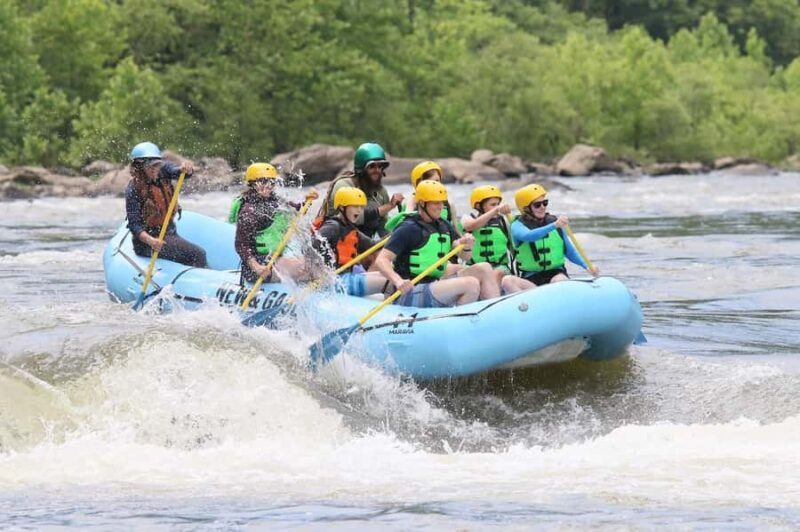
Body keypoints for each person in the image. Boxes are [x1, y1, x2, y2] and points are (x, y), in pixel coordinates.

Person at [374, 180, 500, 308]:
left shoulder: (444, 225)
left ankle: (492, 311)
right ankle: (456, 320)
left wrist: (466, 245)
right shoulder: (408, 228)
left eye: (441, 202)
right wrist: (398, 280)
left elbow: (465, 257)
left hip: (435, 284)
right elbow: (381, 260)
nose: (440, 206)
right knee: (471, 284)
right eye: (435, 203)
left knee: (484, 267)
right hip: (409, 291)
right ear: (422, 204)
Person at [125, 141, 208, 268]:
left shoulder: (163, 170)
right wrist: (151, 241)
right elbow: (134, 225)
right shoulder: (133, 189)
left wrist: (186, 169)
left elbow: (180, 172)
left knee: (190, 253)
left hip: (169, 233)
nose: (155, 169)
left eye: (157, 164)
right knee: (198, 254)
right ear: (139, 167)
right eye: (151, 166)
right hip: (148, 243)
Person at [234, 162, 318, 284]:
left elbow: (297, 211)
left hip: (274, 259)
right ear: (252, 184)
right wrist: (256, 267)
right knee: (305, 268)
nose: (269, 185)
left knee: (313, 265)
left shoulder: (276, 201)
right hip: (257, 267)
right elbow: (241, 245)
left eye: (272, 182)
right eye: (263, 181)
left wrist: (307, 201)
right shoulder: (248, 211)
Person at [511, 184, 599, 285]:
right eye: (537, 205)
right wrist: (554, 225)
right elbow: (529, 236)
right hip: (530, 277)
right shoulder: (517, 225)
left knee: (560, 280)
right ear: (526, 208)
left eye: (545, 203)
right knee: (508, 281)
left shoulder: (554, 223)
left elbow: (569, 251)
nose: (542, 207)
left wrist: (587, 266)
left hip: (555, 274)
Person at [312, 186, 388, 297]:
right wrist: (319, 273)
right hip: (335, 282)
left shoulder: (351, 229)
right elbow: (311, 247)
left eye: (361, 207)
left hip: (346, 277)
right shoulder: (333, 227)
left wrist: (396, 234)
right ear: (342, 207)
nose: (359, 210)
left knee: (389, 276)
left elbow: (374, 246)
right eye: (355, 206)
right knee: (388, 282)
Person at [316, 142, 403, 238]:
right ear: (361, 169)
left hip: (362, 244)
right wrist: (389, 206)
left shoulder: (381, 193)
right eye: (372, 166)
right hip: (337, 240)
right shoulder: (343, 186)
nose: (377, 170)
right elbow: (355, 218)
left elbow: (383, 227)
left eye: (380, 166)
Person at [462, 185, 534, 294]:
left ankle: (492, 299)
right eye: (493, 205)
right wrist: (495, 211)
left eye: (498, 204)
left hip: (500, 267)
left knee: (496, 273)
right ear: (478, 206)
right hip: (474, 267)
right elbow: (470, 226)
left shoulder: (503, 222)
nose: (497, 207)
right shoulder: (467, 218)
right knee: (475, 279)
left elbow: (515, 247)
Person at [389, 160, 459, 232]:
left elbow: (456, 231)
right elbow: (398, 232)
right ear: (420, 184)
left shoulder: (448, 203)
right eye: (435, 181)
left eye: (439, 181)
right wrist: (409, 208)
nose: (438, 185)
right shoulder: (409, 204)